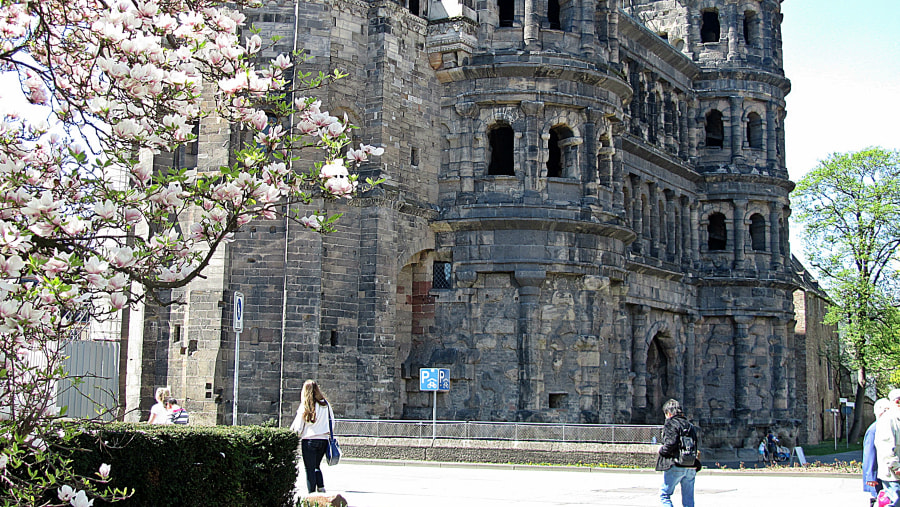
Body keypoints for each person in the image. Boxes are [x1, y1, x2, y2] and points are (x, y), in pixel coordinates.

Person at [290, 380, 335, 495]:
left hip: (309, 439)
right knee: (316, 466)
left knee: (309, 469)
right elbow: (332, 423)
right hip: (323, 440)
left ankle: (311, 494)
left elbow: (298, 426)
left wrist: (292, 435)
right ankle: (321, 487)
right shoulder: (326, 404)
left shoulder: (305, 405)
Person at [656, 399, 701, 507]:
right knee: (688, 499)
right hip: (690, 464)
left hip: (676, 463)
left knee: (664, 495)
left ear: (669, 413)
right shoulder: (689, 425)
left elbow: (670, 443)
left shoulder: (671, 423)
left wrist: (661, 451)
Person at [866, 399, 893, 506]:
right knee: (881, 499)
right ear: (877, 411)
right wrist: (871, 476)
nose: (887, 412)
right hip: (878, 476)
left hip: (885, 472)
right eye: (884, 410)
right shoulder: (874, 429)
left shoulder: (886, 426)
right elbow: (870, 453)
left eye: (888, 410)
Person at [876, 389, 900, 507]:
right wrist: (896, 466)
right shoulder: (888, 419)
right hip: (893, 474)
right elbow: (886, 446)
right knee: (896, 502)